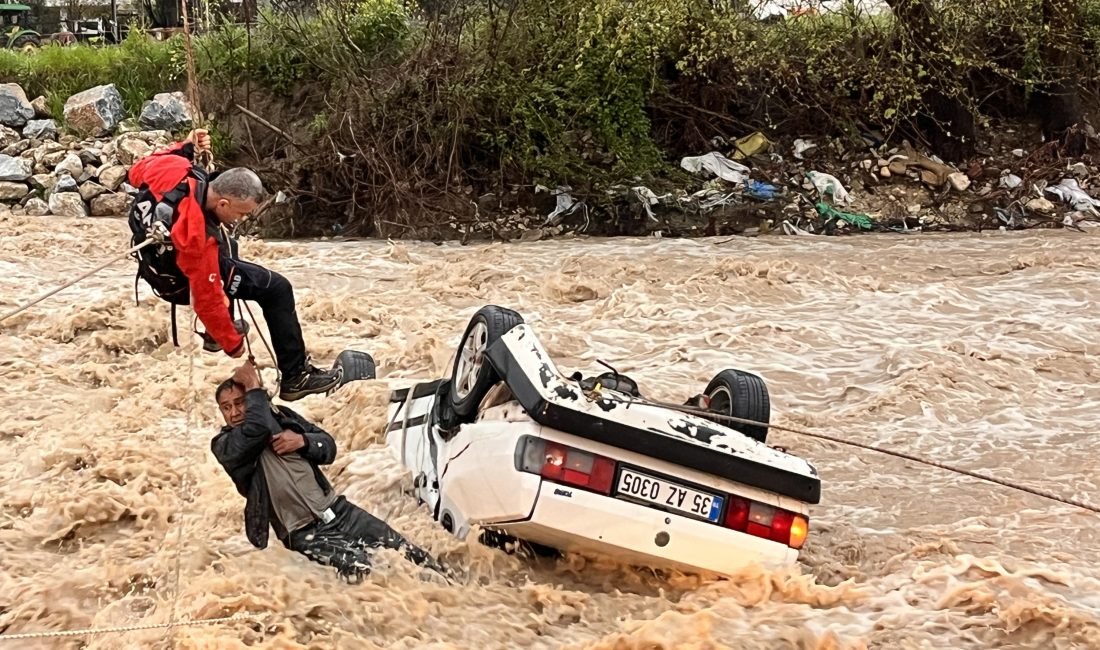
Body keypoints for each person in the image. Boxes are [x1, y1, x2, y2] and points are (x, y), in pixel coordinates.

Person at [127, 129, 339, 401]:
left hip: (155, 263)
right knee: (277, 289)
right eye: (241, 213)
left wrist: (186, 146)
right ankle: (296, 377)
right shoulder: (197, 238)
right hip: (178, 282)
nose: (241, 219)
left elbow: (136, 171)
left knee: (231, 245)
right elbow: (206, 300)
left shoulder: (171, 167)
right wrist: (232, 343)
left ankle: (218, 331)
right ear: (224, 203)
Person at [212, 360, 445, 582]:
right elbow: (257, 430)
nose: (234, 412)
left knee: (406, 551)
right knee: (360, 568)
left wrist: (303, 441)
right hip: (302, 532)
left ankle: (453, 586)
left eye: (240, 403)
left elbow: (329, 447)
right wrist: (253, 388)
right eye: (226, 407)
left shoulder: (282, 416)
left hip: (339, 511)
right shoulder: (224, 445)